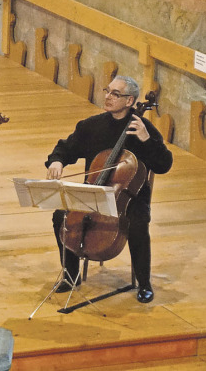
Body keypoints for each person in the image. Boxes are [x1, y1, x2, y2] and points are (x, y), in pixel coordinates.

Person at [45, 76, 172, 303]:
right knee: (60, 216)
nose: (108, 96)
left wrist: (145, 140)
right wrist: (57, 161)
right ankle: (69, 274)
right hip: (94, 192)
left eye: (115, 94)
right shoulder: (91, 126)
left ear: (129, 101)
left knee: (138, 223)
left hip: (130, 198)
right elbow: (65, 148)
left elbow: (164, 164)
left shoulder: (143, 128)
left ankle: (144, 283)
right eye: (108, 90)